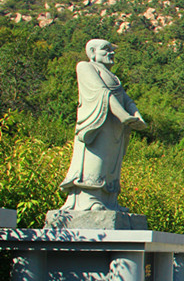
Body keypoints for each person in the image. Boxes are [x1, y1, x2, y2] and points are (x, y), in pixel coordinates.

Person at [58, 39, 146, 211]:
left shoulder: (114, 78)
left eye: (112, 50)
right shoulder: (85, 67)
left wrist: (136, 116)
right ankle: (88, 199)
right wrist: (122, 115)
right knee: (95, 160)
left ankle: (109, 200)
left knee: (111, 164)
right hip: (98, 122)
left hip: (115, 127)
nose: (111, 53)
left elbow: (127, 99)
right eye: (105, 50)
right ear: (92, 53)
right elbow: (101, 92)